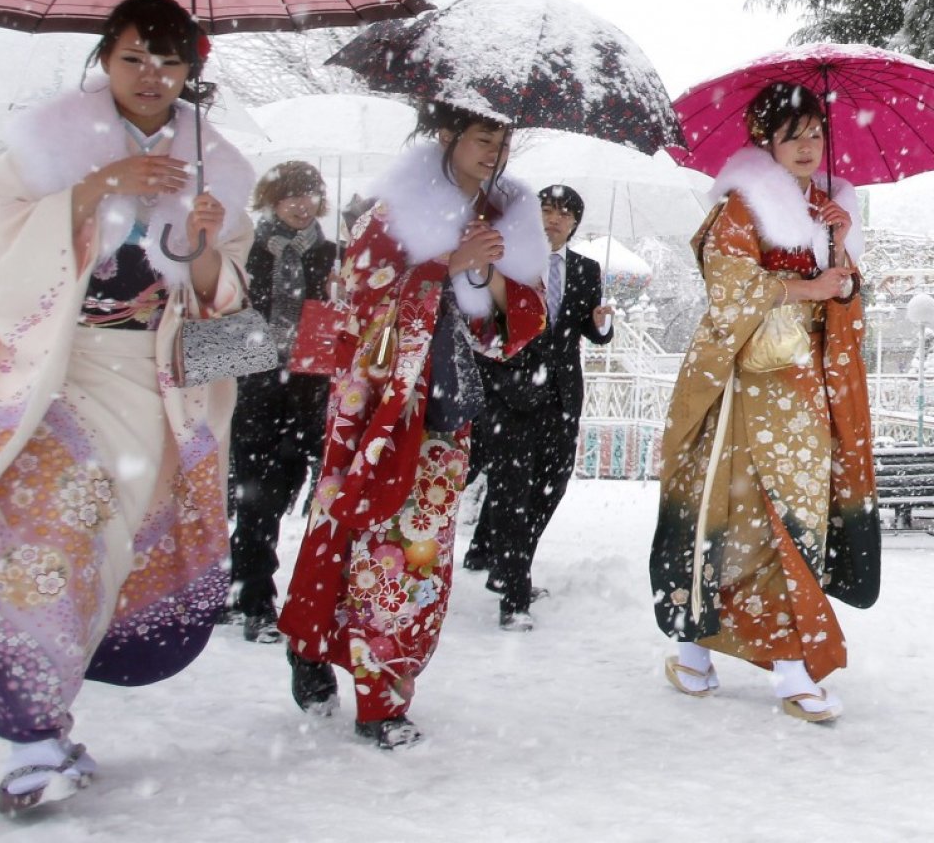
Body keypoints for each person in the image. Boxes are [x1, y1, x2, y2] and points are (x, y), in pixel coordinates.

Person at [0, 0, 255, 812]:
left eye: (172, 61)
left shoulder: (216, 161)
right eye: (135, 58)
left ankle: (58, 711)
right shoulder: (47, 142)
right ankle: (31, 739)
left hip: (153, 384)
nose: (153, 77)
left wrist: (212, 244)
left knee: (114, 554)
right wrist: (93, 189)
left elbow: (231, 320)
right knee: (38, 550)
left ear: (194, 71)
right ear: (104, 58)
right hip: (53, 370)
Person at [277, 100, 549, 748]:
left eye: (502, 141)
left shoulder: (497, 214)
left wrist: (491, 271)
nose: (494, 153)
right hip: (378, 409)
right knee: (357, 536)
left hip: (444, 410)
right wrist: (443, 266)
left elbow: (508, 326)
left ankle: (383, 689)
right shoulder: (393, 209)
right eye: (483, 138)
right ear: (447, 135)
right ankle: (316, 644)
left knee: (416, 554)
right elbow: (355, 293)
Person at [650, 82, 879, 723]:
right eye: (792, 135)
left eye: (815, 134)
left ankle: (699, 648)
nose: (808, 147)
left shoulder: (826, 207)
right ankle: (781, 667)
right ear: (766, 141)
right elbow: (729, 288)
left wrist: (838, 249)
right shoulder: (742, 207)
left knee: (785, 516)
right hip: (746, 387)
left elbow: (841, 299)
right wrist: (807, 285)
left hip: (803, 388)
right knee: (747, 515)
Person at [462, 185, 614, 631]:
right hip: (510, 394)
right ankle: (514, 592)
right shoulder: (509, 259)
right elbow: (485, 321)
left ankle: (509, 561)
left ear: (575, 224)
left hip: (562, 396)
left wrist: (600, 326)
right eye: (547, 209)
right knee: (512, 491)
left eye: (566, 213)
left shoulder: (587, 269)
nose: (555, 218)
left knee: (552, 486)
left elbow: (588, 328)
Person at [227, 161, 337, 644]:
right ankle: (255, 600)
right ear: (270, 200)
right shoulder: (244, 248)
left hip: (312, 391)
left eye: (309, 194)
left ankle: (307, 598)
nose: (300, 204)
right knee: (257, 498)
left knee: (306, 492)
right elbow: (220, 310)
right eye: (290, 195)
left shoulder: (334, 256)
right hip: (252, 387)